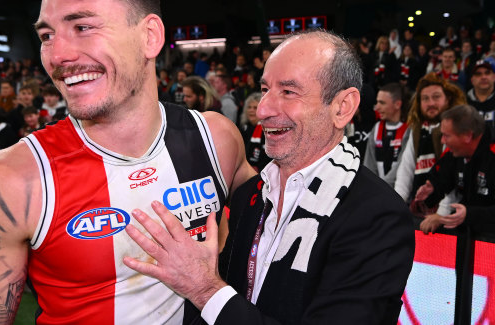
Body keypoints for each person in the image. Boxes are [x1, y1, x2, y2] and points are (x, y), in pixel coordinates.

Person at [0, 0, 254, 325]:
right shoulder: (13, 178)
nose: (57, 55)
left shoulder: (217, 139)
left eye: (83, 27)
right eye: (47, 35)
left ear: (150, 36)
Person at [124, 31, 415, 324]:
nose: (262, 110)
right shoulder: (251, 195)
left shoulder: (378, 216)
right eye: (265, 89)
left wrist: (205, 288)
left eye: (288, 92)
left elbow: (217, 297)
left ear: (343, 107)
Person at [416, 105, 495, 234]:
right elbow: (441, 178)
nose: (442, 141)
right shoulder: (455, 152)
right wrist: (431, 190)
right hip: (469, 236)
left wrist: (469, 214)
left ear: (468, 136)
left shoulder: (492, 156)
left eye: (446, 136)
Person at [394, 73, 466, 205]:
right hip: (419, 205)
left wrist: (441, 214)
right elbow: (406, 169)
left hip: (449, 210)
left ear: (448, 99)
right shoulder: (416, 130)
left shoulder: (457, 127)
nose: (431, 103)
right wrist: (397, 204)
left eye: (436, 97)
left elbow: (454, 176)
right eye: (425, 99)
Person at [363, 83, 408, 187]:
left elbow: (403, 166)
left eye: (382, 103)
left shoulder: (408, 129)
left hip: (399, 193)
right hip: (377, 192)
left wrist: (382, 188)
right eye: (377, 102)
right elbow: (368, 166)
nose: (377, 108)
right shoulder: (377, 128)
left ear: (397, 104)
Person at [239, 92, 270, 172]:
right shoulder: (244, 128)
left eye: (255, 107)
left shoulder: (268, 130)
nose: (251, 110)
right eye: (249, 107)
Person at [466, 58, 495, 136]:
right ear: (472, 80)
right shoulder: (462, 103)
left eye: (487, 73)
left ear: (494, 77)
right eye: (478, 74)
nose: (483, 77)